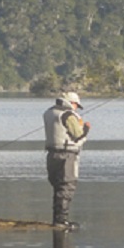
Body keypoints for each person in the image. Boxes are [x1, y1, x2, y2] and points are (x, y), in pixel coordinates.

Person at [43, 91, 91, 228]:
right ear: (72, 103)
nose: (76, 108)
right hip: (67, 155)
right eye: (76, 105)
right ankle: (61, 221)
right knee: (66, 186)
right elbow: (78, 137)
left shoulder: (49, 112)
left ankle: (57, 219)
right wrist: (86, 128)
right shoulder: (68, 115)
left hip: (51, 154)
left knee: (58, 187)